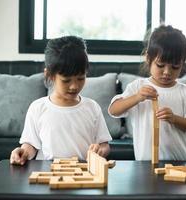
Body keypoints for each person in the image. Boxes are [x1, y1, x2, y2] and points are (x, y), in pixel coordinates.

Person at [10, 36, 112, 165]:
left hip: (83, 174)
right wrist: (22, 153)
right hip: (48, 173)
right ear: (49, 75)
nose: (74, 86)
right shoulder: (38, 107)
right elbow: (30, 145)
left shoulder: (92, 107)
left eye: (80, 78)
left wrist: (100, 150)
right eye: (66, 80)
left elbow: (105, 145)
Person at [108, 24, 186, 161]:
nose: (167, 72)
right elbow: (114, 110)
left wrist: (174, 119)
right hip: (145, 162)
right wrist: (137, 97)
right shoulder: (138, 87)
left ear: (182, 63)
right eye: (160, 65)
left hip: (179, 161)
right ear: (148, 59)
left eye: (175, 67)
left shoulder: (185, 91)